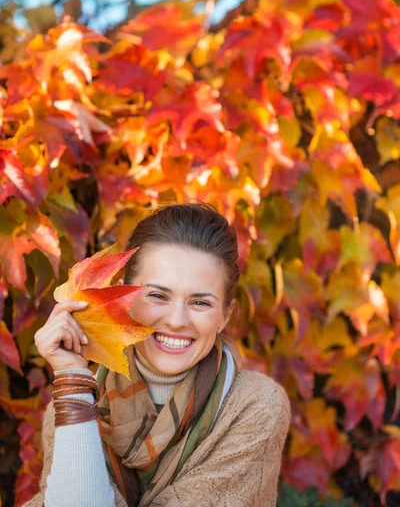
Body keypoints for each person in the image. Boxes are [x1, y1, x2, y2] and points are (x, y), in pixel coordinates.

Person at [24, 201, 291, 507]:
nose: (177, 320)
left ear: (225, 316)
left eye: (200, 302)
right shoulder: (75, 401)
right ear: (122, 297)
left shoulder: (254, 406)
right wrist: (73, 381)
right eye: (157, 296)